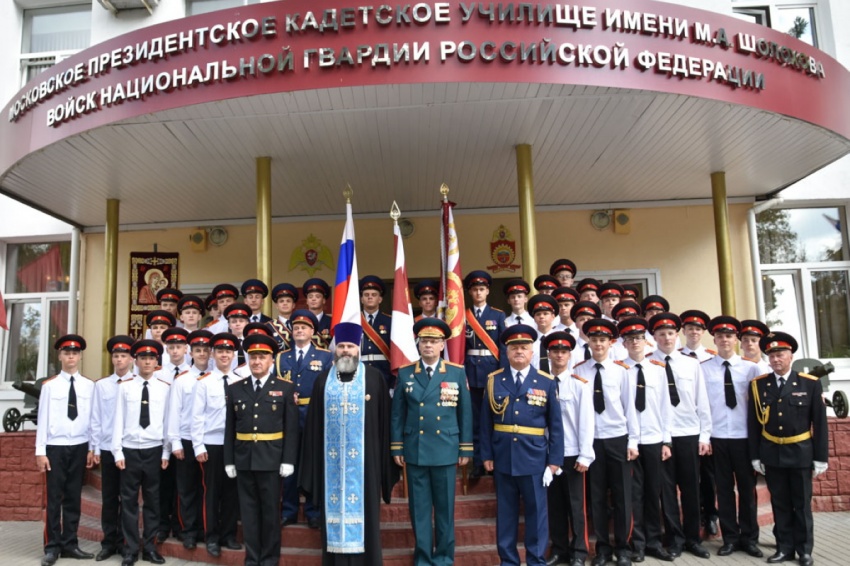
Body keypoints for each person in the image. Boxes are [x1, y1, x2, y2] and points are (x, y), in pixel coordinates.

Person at [299, 322, 398, 565]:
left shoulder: (374, 379)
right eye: (341, 346)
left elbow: (385, 424)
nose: (345, 351)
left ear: (358, 349)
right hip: (330, 466)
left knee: (367, 517)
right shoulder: (323, 381)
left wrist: (385, 464)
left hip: (367, 466)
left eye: (350, 346)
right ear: (335, 349)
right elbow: (313, 428)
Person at [391, 317, 473, 566]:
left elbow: (465, 412)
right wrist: (397, 445)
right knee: (420, 510)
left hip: (446, 449)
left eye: (434, 341)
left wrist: (465, 447)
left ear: (442, 345)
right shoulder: (405, 373)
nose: (428, 345)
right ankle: (424, 558)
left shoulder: (456, 372)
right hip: (415, 448)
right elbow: (398, 414)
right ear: (418, 344)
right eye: (424, 341)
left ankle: (445, 557)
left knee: (445, 510)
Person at [481, 324, 564, 566]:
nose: (519, 351)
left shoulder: (546, 381)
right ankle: (508, 561)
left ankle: (536, 560)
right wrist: (486, 454)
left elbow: (556, 426)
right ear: (506, 352)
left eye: (524, 347)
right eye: (514, 347)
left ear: (532, 352)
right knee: (505, 515)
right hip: (503, 457)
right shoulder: (494, 380)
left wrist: (554, 462)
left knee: (537, 514)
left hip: (535, 458)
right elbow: (486, 422)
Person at [748, 332, 828, 566]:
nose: (775, 359)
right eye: (771, 355)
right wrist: (755, 456)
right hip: (772, 452)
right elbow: (753, 424)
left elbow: (820, 425)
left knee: (801, 505)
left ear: (791, 356)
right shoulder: (759, 385)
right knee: (780, 504)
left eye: (780, 354)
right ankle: (784, 548)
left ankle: (804, 550)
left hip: (801, 452)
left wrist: (820, 458)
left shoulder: (809, 383)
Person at [224, 334, 300, 566]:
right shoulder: (236, 388)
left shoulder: (285, 388)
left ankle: (269, 558)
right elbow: (230, 428)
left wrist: (288, 460)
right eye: (253, 357)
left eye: (262, 357)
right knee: (248, 513)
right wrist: (229, 460)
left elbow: (291, 428)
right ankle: (252, 557)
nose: (257, 361)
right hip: (244, 458)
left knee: (269, 513)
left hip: (271, 458)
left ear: (271, 360)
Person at [572, 319, 638, 566]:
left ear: (611, 343)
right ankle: (602, 549)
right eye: (594, 340)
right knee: (596, 497)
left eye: (602, 340)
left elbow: (630, 409)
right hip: (591, 442)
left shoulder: (622, 371)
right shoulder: (579, 371)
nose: (598, 344)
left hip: (617, 439)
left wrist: (633, 441)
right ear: (588, 342)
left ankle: (623, 548)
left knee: (622, 496)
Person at [648, 313, 712, 559]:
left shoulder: (691, 364)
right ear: (653, 337)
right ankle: (674, 539)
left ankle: (692, 539)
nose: (666, 338)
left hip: (688, 432)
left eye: (670, 333)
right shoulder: (647, 363)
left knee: (690, 489)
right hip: (660, 436)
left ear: (678, 335)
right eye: (661, 334)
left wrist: (704, 435)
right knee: (666, 491)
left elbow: (702, 401)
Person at [702, 316, 762, 558]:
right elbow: (702, 405)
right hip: (718, 436)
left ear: (736, 339)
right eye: (719, 336)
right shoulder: (703, 369)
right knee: (724, 490)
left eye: (728, 336)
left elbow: (759, 407)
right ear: (714, 339)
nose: (724, 340)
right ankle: (730, 538)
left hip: (744, 437)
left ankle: (750, 538)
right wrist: (705, 437)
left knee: (747, 490)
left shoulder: (751, 368)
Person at [36, 334, 96, 566]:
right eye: (66, 353)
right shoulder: (50, 386)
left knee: (73, 498)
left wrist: (92, 448)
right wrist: (40, 451)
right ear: (60, 355)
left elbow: (93, 419)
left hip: (79, 446)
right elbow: (42, 419)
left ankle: (70, 544)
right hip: (56, 448)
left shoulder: (89, 385)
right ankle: (52, 547)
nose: (71, 356)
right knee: (54, 498)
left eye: (75, 353)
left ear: (80, 356)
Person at [618, 317, 673, 563]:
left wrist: (666, 441)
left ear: (646, 341)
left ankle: (654, 542)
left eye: (638, 338)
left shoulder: (658, 369)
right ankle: (637, 543)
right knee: (634, 494)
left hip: (653, 438)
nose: (635, 343)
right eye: (630, 340)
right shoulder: (619, 370)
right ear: (624, 344)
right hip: (629, 442)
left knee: (654, 492)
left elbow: (665, 407)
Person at [112, 339, 171, 566]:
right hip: (129, 449)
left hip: (154, 449)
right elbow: (118, 419)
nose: (147, 362)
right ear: (135, 361)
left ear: (157, 361)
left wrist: (166, 452)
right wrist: (117, 451)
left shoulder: (165, 388)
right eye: (143, 358)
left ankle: (150, 548)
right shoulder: (125, 386)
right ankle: (130, 549)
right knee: (128, 501)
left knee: (152, 502)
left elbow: (167, 422)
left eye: (151, 358)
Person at [275, 309, 333, 529]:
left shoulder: (325, 356)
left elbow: (329, 387)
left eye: (304, 327)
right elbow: (275, 386)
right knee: (289, 465)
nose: (299, 330)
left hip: (314, 417)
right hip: (288, 417)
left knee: (312, 465)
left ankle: (313, 511)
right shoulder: (281, 357)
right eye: (296, 327)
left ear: (312, 332)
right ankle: (288, 511)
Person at [543, 331, 594, 566]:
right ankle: (559, 549)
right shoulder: (541, 384)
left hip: (573, 452)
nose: (559, 355)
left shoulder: (580, 385)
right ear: (549, 354)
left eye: (563, 352)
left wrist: (585, 454)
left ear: (569, 354)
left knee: (576, 505)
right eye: (555, 351)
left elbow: (586, 422)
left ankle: (579, 552)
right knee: (554, 505)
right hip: (548, 454)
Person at [191, 332, 243, 558]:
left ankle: (228, 535)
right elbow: (196, 417)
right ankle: (211, 536)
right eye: (220, 351)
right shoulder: (204, 383)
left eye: (228, 351)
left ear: (233, 355)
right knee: (211, 493)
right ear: (213, 354)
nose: (224, 355)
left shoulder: (240, 381)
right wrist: (198, 446)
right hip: (211, 443)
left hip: (235, 445)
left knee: (232, 492)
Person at [91, 335, 135, 562]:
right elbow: (96, 418)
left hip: (129, 448)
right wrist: (95, 448)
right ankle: (109, 542)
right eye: (116, 356)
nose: (119, 360)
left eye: (124, 356)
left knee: (128, 499)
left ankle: (127, 543)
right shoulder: (101, 385)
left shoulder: (137, 383)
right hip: (108, 447)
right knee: (109, 498)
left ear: (131, 359)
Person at [677, 309, 718, 537]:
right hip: (687, 425)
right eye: (690, 328)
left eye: (698, 329)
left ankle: (710, 515)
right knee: (688, 477)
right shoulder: (675, 358)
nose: (694, 332)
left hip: (709, 426)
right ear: (683, 331)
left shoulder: (711, 357)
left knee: (707, 476)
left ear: (703, 332)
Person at [463, 270, 506, 479]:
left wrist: (503, 375)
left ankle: (494, 460)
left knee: (494, 418)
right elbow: (459, 348)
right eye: (475, 290)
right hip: (471, 374)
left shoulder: (498, 315)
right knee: (475, 421)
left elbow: (503, 348)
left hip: (492, 372)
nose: (478, 293)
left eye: (482, 289)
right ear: (470, 292)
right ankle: (478, 462)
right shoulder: (463, 316)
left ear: (487, 291)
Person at [359, 275, 394, 389]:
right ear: (361, 299)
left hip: (384, 373)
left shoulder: (390, 321)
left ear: (380, 299)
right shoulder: (354, 320)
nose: (370, 297)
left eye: (374, 295)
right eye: (366, 295)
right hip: (359, 371)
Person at [303, 277, 332, 347]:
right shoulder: (300, 321)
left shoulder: (332, 322)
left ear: (324, 300)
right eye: (310, 297)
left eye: (317, 297)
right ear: (307, 301)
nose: (313, 299)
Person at [269, 283, 298, 350]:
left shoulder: (301, 324)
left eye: (288, 301)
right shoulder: (268, 327)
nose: (285, 303)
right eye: (281, 301)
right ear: (276, 305)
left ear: (293, 305)